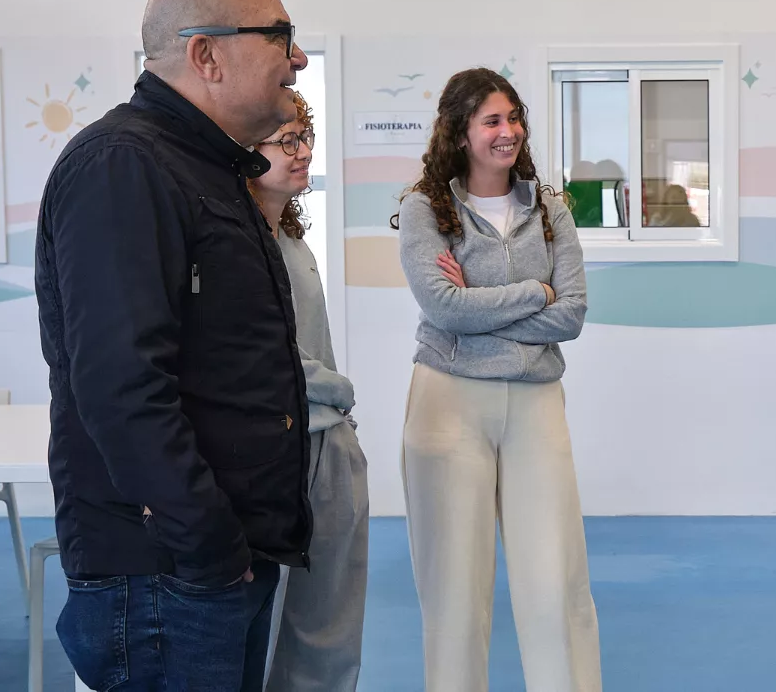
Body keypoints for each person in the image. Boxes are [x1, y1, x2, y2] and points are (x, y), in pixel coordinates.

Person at [34, 0, 311, 691]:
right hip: (170, 577)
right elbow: (121, 386)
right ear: (206, 54)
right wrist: (209, 542)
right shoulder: (124, 166)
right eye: (281, 36)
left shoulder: (202, 168)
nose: (298, 57)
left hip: (209, 565)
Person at [390, 67, 602, 692]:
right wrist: (534, 291)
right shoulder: (423, 209)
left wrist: (486, 305)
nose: (507, 132)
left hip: (537, 403)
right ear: (459, 132)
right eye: (491, 121)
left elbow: (572, 314)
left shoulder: (552, 208)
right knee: (453, 590)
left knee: (555, 581)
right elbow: (442, 307)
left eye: (513, 119)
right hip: (447, 404)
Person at [249, 93, 370, 692]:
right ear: (247, 150)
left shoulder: (293, 242)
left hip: (328, 442)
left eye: (305, 138)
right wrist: (338, 390)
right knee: (264, 630)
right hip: (280, 451)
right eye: (287, 141)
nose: (303, 153)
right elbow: (267, 358)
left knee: (330, 626)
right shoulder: (237, 243)